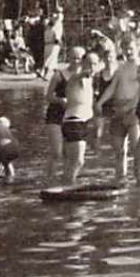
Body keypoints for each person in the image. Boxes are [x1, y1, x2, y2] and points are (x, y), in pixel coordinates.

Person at [96, 42, 140, 180]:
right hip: (117, 110)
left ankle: (139, 178)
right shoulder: (120, 68)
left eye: (131, 48)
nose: (128, 51)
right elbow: (112, 88)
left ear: (138, 48)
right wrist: (100, 102)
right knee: (119, 151)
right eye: (126, 49)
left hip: (134, 111)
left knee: (136, 149)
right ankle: (120, 179)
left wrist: (130, 107)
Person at [60, 50, 98, 183]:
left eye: (94, 64)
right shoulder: (76, 77)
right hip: (73, 121)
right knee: (78, 161)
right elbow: (75, 78)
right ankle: (67, 186)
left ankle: (66, 183)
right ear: (83, 63)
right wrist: (84, 72)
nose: (91, 67)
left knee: (70, 161)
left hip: (84, 121)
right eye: (88, 63)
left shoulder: (91, 79)